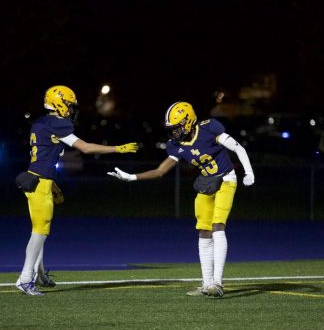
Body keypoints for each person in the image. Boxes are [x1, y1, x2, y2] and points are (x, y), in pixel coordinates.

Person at [108, 101, 254, 298]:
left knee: (218, 226)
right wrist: (132, 177)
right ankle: (206, 284)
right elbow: (160, 171)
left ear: (188, 121)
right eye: (172, 128)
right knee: (203, 230)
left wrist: (249, 172)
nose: (174, 132)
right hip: (207, 182)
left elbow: (237, 147)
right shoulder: (175, 145)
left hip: (227, 179)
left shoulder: (209, 129)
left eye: (176, 127)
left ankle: (218, 283)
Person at [15, 85, 139, 296]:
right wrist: (117, 148)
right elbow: (86, 147)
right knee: (40, 232)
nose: (71, 110)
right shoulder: (58, 124)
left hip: (35, 178)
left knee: (40, 230)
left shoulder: (40, 122)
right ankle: (25, 279)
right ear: (59, 103)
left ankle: (40, 274)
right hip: (40, 183)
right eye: (69, 105)